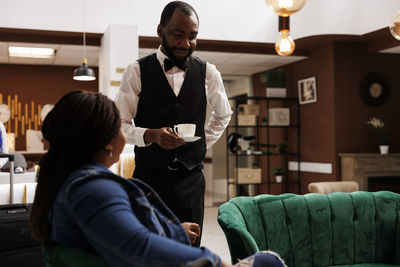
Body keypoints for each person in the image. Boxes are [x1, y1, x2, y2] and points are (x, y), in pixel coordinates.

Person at [29, 91, 286, 267]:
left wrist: (172, 231)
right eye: (120, 125)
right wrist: (217, 262)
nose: (124, 130)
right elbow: (137, 248)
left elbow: (113, 233)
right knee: (267, 261)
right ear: (107, 143)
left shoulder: (74, 181)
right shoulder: (92, 188)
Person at [115, 1, 232, 247]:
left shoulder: (209, 72)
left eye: (193, 36)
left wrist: (199, 143)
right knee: (147, 245)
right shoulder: (136, 71)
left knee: (188, 251)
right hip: (148, 178)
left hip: (190, 181)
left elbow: (223, 114)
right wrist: (150, 135)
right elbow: (120, 124)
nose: (186, 43)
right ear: (160, 31)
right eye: (179, 35)